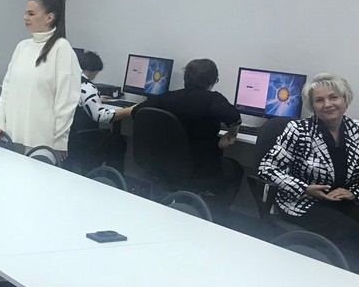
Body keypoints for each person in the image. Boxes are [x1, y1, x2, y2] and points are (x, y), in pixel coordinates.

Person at [259, 73, 359, 266]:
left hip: (344, 201)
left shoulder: (356, 130)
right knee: (352, 235)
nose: (327, 104)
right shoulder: (298, 130)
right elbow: (266, 167)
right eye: (319, 100)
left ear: (345, 101)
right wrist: (304, 188)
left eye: (333, 97)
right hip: (304, 202)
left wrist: (354, 192)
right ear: (312, 106)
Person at [136, 58, 244, 217]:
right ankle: (215, 217)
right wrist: (232, 134)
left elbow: (137, 112)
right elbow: (235, 118)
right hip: (201, 170)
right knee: (236, 168)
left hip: (164, 166)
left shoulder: (168, 97)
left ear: (186, 78)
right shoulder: (212, 99)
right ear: (212, 81)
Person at [0, 0, 80, 156]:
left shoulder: (61, 48)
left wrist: (60, 140)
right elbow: (7, 91)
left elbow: (66, 100)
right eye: (25, 13)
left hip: (43, 141)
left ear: (49, 17)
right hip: (12, 136)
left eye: (31, 14)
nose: (25, 17)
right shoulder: (22, 47)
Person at [68, 50, 135, 174]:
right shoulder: (87, 86)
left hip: (70, 136)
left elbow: (79, 99)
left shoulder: (70, 80)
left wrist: (96, 99)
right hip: (84, 139)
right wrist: (129, 110)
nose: (95, 76)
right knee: (118, 143)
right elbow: (100, 116)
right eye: (96, 73)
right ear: (90, 69)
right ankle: (112, 180)